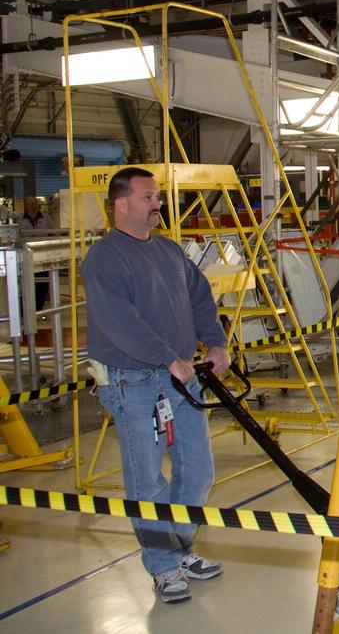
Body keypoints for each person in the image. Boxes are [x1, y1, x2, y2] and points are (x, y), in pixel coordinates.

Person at [82, 167, 231, 604]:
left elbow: (200, 294)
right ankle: (163, 565)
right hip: (136, 382)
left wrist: (216, 342)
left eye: (158, 197)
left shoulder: (167, 251)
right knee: (146, 479)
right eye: (149, 197)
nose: (158, 205)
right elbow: (119, 323)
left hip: (180, 378)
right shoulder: (105, 258)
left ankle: (178, 549)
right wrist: (169, 358)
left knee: (198, 469)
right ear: (122, 204)